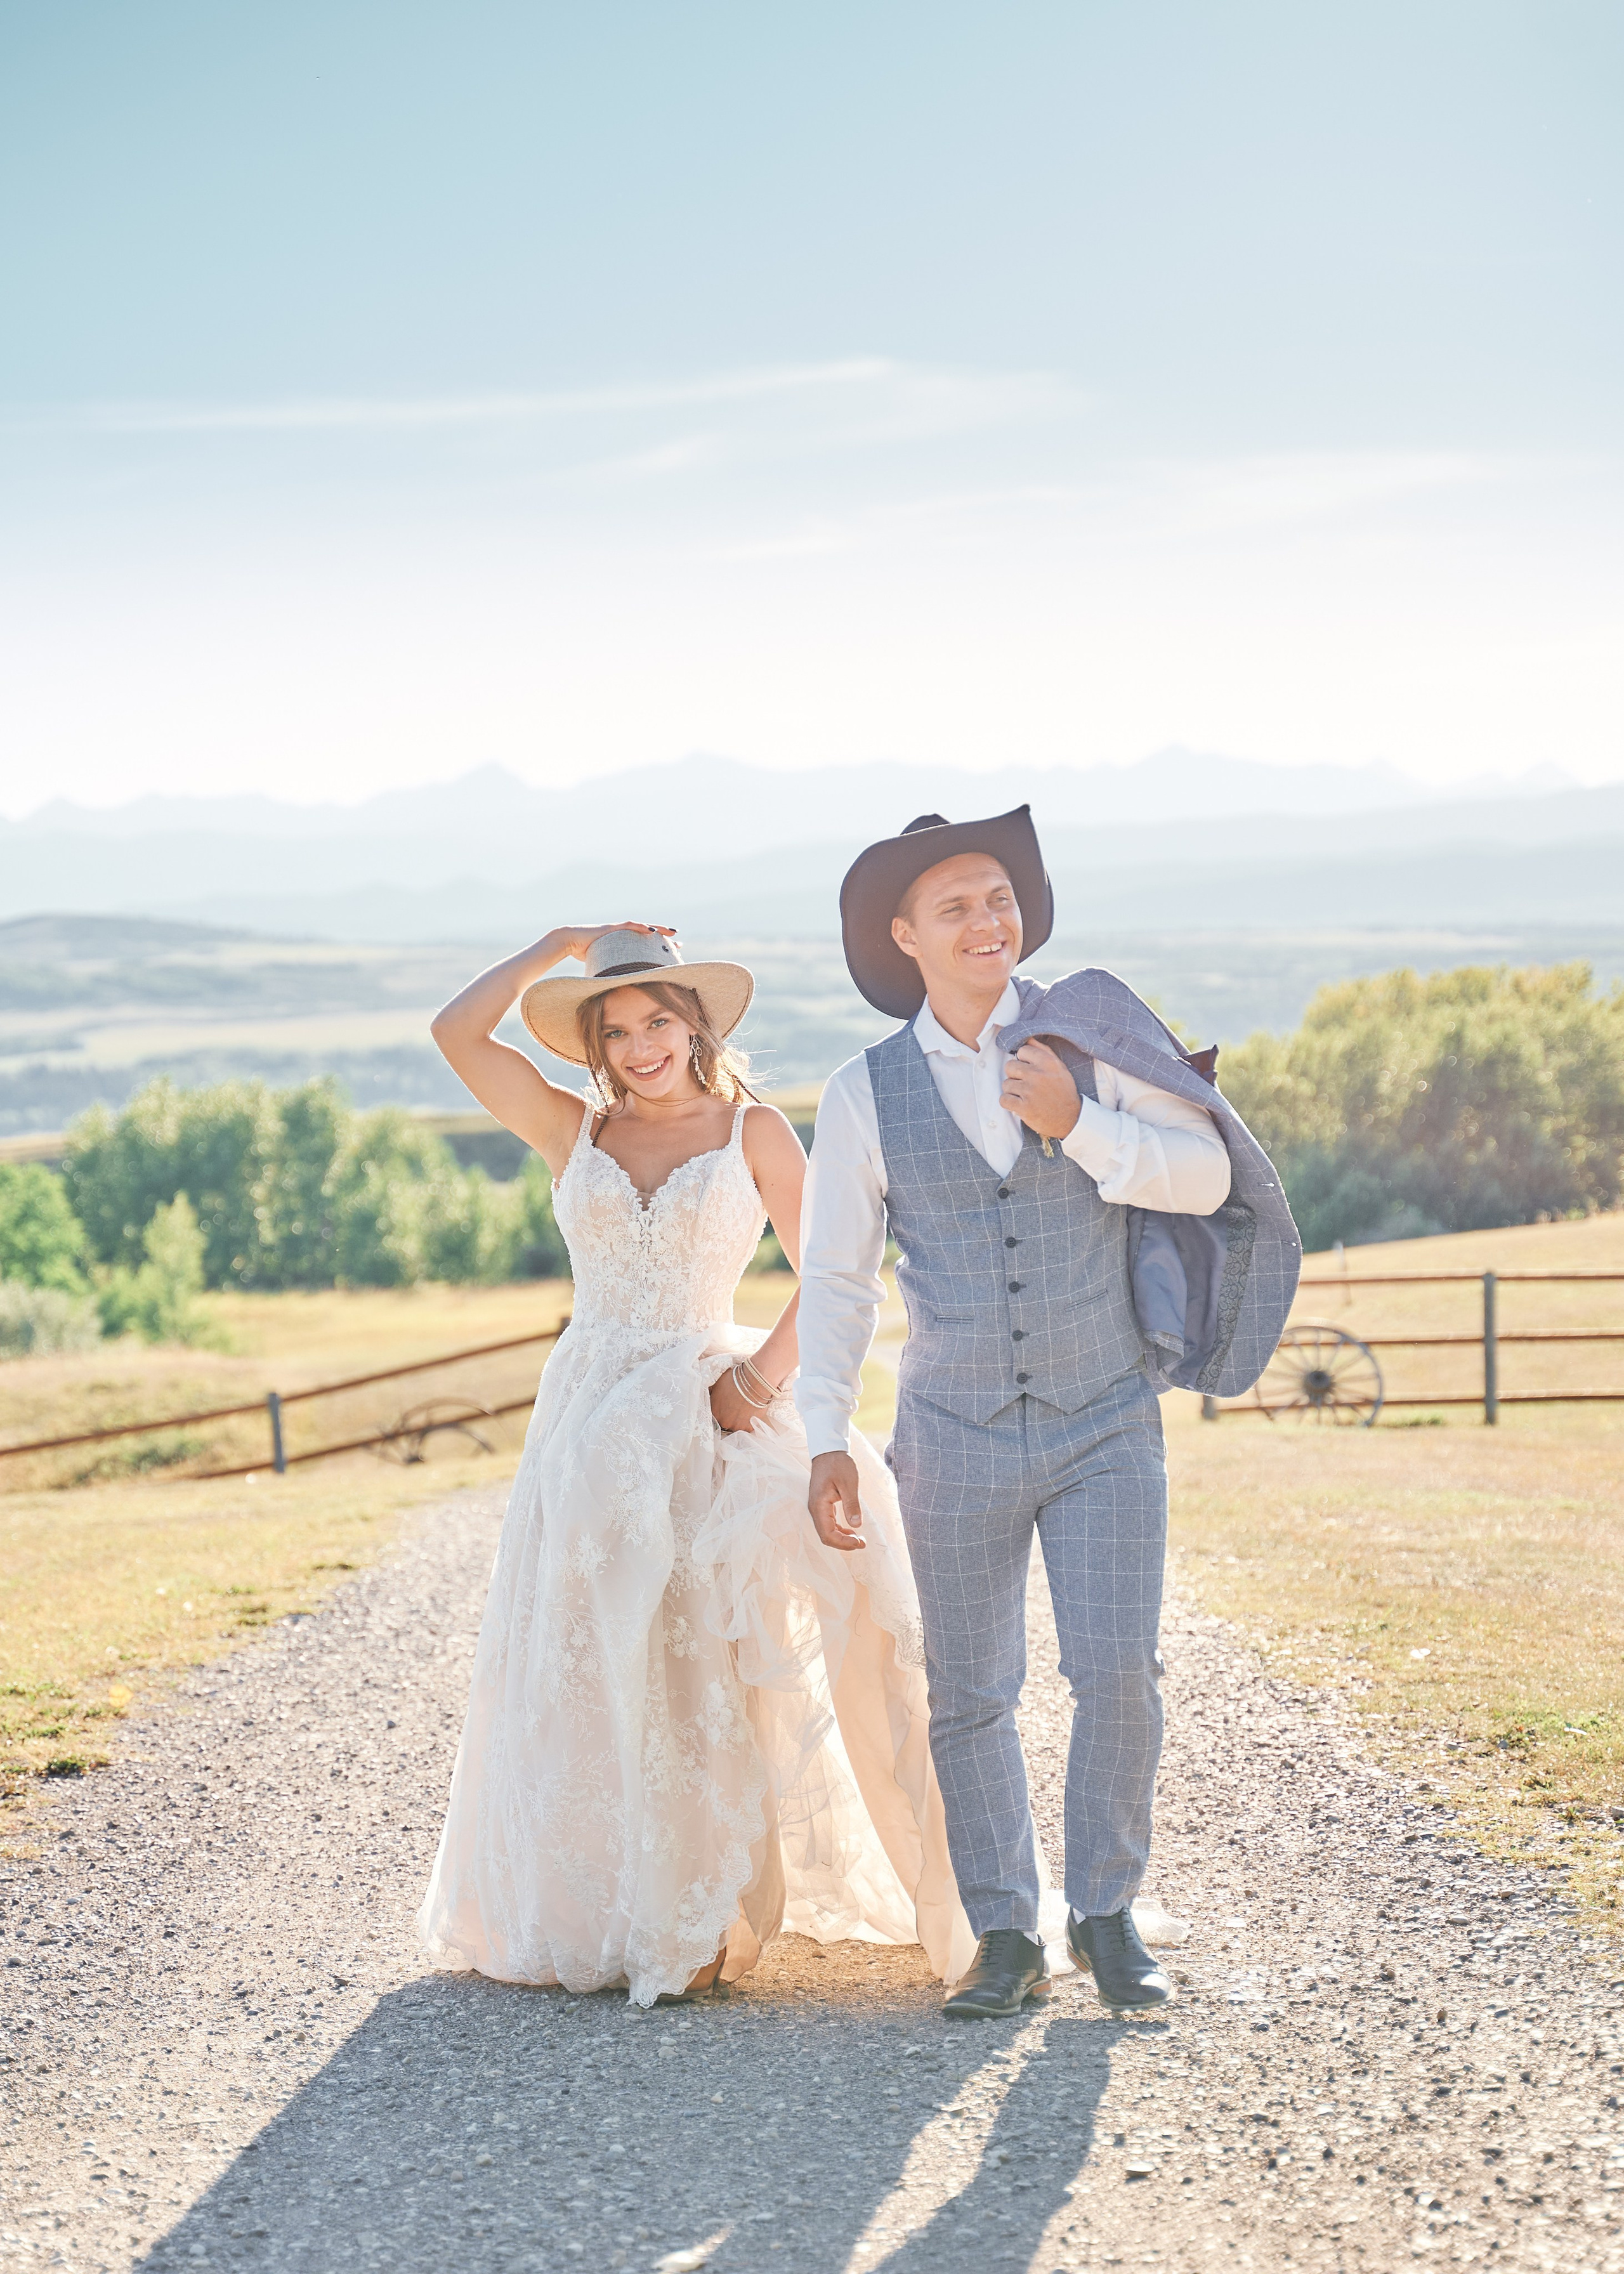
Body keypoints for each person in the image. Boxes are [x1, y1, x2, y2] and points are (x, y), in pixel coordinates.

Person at [797, 807, 1301, 2020]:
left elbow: (1211, 1176)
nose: (989, 921)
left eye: (1001, 898)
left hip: (1104, 1417)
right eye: (957, 906)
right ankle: (1007, 1933)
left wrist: (1085, 1125)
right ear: (905, 936)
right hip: (951, 1431)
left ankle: (1108, 1913)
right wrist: (823, 1435)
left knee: (1120, 1670)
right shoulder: (862, 1093)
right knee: (970, 1691)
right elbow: (837, 1280)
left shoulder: (1089, 1041)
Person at [416, 921, 971, 2007]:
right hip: (585, 1423)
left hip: (700, 1409)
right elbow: (455, 1032)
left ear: (696, 1025)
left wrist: (757, 1385)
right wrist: (555, 945)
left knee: (697, 1657)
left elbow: (835, 1272)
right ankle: (611, 1904)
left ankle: (708, 1907)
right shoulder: (572, 1128)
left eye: (658, 1021)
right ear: (596, 1047)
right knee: (592, 1657)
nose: (640, 1047)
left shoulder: (753, 1130)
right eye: (616, 1031)